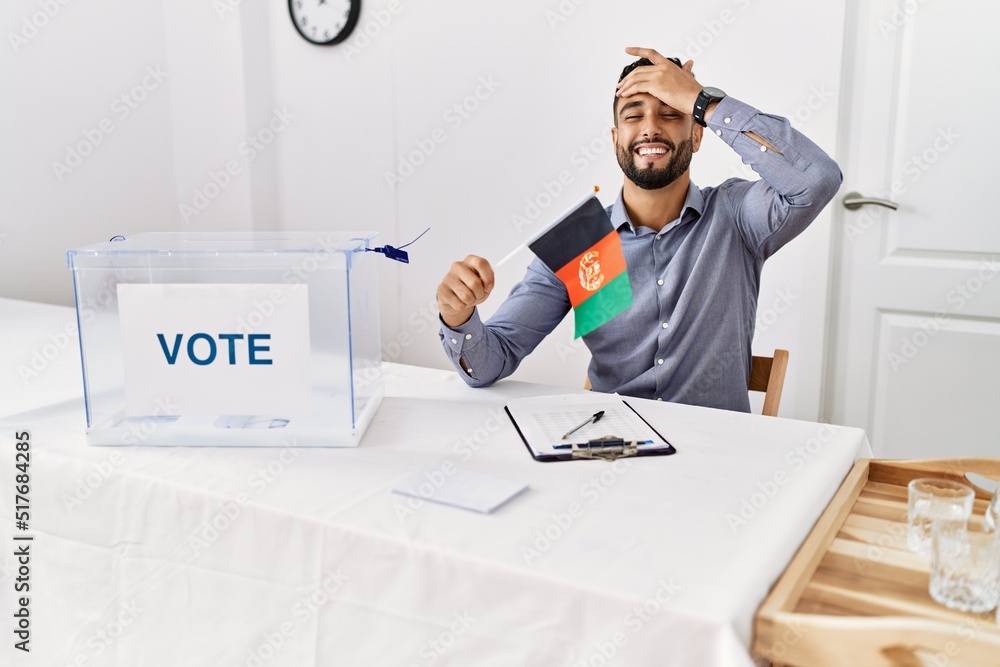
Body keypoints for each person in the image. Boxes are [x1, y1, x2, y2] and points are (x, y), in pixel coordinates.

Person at [434, 47, 842, 412]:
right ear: (616, 139)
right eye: (634, 116)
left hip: (717, 459)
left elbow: (818, 179)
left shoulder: (737, 215)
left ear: (697, 134)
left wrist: (702, 102)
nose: (651, 128)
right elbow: (489, 364)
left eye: (671, 113)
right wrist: (459, 317)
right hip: (612, 453)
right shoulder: (582, 242)